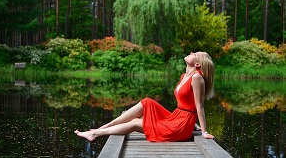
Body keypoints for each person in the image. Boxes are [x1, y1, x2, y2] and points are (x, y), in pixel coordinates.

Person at [74, 51, 215, 141]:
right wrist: (193, 125)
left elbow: (199, 106)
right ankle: (105, 126)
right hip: (176, 117)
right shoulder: (184, 76)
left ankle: (95, 134)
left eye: (195, 53)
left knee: (135, 123)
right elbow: (188, 104)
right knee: (147, 101)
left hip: (180, 126)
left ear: (197, 63)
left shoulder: (197, 78)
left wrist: (204, 131)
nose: (191, 52)